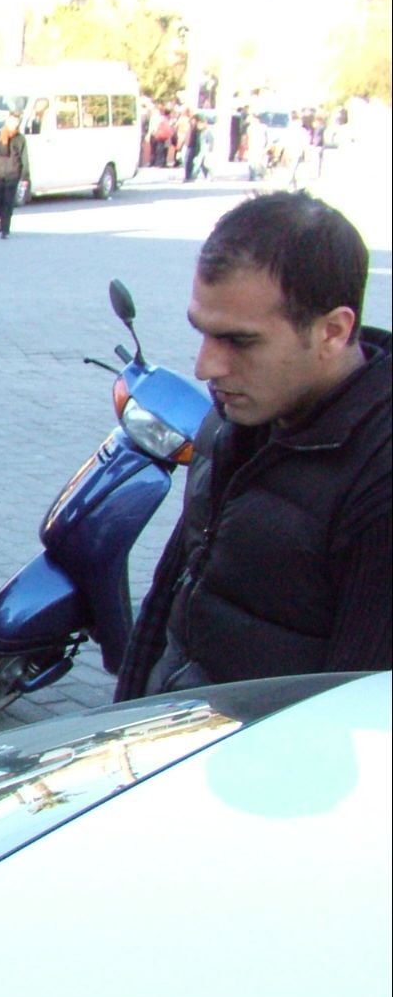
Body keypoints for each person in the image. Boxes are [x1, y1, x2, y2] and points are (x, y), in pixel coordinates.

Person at [116, 192, 391, 700]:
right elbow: (172, 593)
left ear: (332, 331)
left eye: (239, 341)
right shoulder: (235, 415)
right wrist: (123, 720)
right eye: (203, 333)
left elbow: (359, 710)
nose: (205, 368)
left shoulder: (378, 481)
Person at [0, 108, 31, 239]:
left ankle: (6, 227)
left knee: (8, 201)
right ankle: (2, 220)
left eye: (16, 122)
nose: (13, 124)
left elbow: (24, 158)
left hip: (13, 173)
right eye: (11, 121)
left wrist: (25, 176)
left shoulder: (20, 139)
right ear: (7, 121)